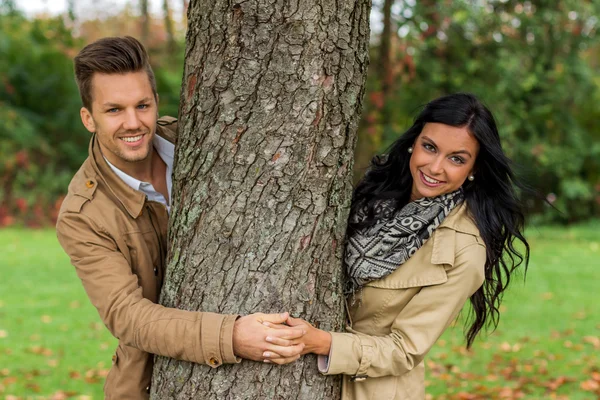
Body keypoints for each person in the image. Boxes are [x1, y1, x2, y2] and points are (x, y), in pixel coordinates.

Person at [56, 36, 305, 400]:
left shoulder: (201, 141)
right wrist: (231, 336)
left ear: (156, 102)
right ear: (88, 118)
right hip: (148, 384)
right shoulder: (83, 214)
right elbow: (128, 316)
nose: (133, 122)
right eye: (113, 110)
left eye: (142, 105)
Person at [263, 93, 530, 399]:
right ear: (413, 143)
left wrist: (320, 342)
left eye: (456, 158)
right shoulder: (374, 197)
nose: (435, 167)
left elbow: (404, 350)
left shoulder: (464, 251)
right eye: (429, 147)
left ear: (474, 169)